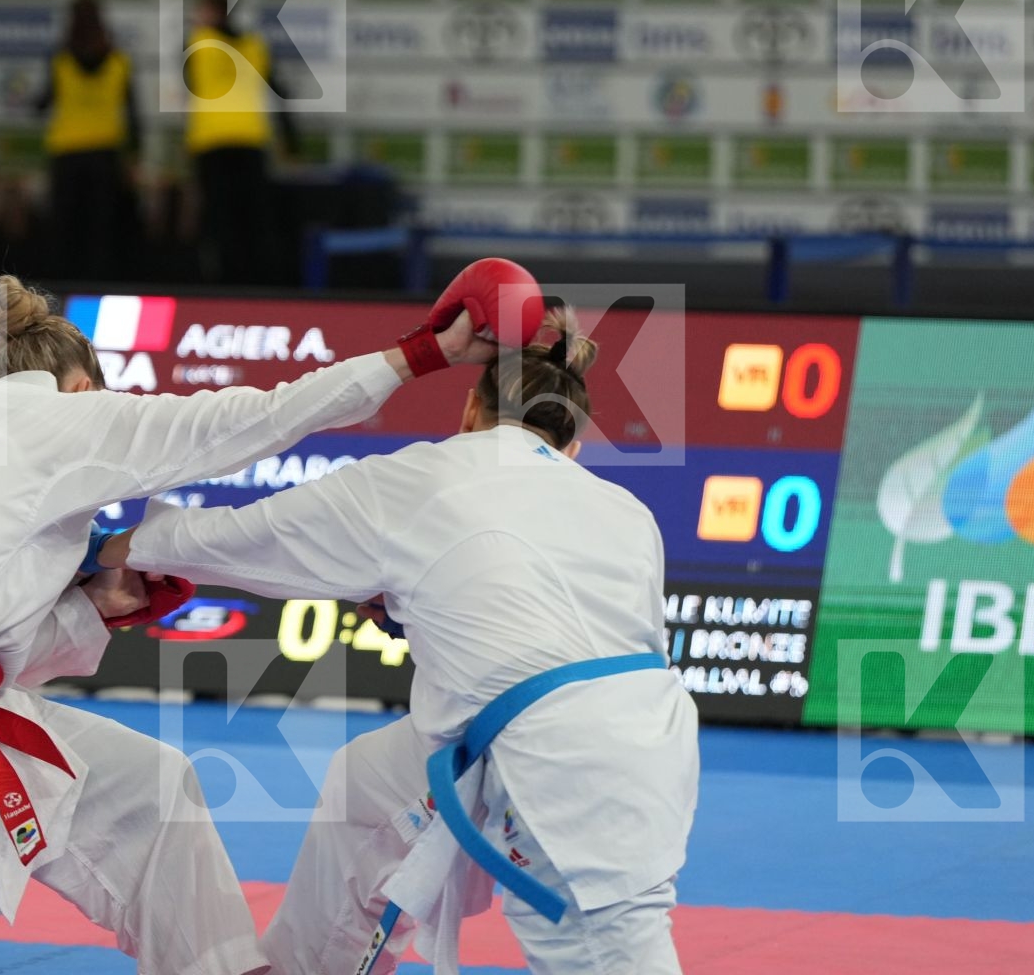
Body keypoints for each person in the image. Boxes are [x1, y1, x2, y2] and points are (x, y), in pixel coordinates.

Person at [0, 273, 500, 975]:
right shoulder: (64, 420)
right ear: (84, 388)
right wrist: (421, 355)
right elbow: (255, 417)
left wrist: (93, 606)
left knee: (150, 794)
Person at [102, 304, 700, 975]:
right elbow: (564, 638)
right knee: (366, 786)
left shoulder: (423, 476)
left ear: (469, 412)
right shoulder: (628, 511)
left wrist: (109, 549)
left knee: (603, 955)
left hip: (558, 758)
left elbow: (244, 538)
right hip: (652, 744)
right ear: (572, 450)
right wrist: (415, 609)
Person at [182, 0, 298, 287]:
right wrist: (291, 139)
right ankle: (256, 283)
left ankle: (220, 283)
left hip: (211, 141)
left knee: (218, 218)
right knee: (253, 218)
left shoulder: (197, 41)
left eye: (201, 10)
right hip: (250, 140)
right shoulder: (255, 45)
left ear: (213, 13)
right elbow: (279, 90)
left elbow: (190, 81)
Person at [35, 0, 140, 281]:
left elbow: (43, 103)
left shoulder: (60, 59)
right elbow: (133, 113)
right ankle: (98, 286)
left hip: (67, 152)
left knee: (65, 227)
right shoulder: (119, 60)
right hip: (105, 154)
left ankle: (62, 288)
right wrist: (134, 155)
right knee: (101, 229)